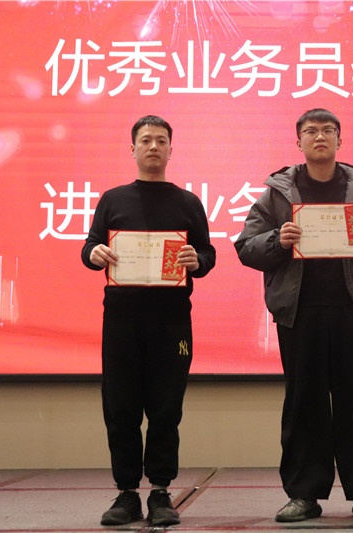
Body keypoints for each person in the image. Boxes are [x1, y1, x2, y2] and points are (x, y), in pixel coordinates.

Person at [234, 108, 353, 523]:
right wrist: (277, 240)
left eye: (328, 130)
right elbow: (246, 247)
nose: (320, 136)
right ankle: (304, 494)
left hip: (351, 309)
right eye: (311, 131)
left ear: (340, 140)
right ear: (299, 142)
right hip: (299, 314)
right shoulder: (278, 193)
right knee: (304, 403)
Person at [81, 115, 216, 527]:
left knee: (165, 408)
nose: (153, 146)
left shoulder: (187, 202)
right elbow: (90, 247)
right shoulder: (113, 199)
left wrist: (196, 260)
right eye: (145, 140)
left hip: (172, 322)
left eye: (160, 140)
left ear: (171, 149)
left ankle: (160, 490)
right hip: (121, 321)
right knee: (120, 408)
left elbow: (207, 255)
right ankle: (126, 493)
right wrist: (94, 254)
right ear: (133, 148)